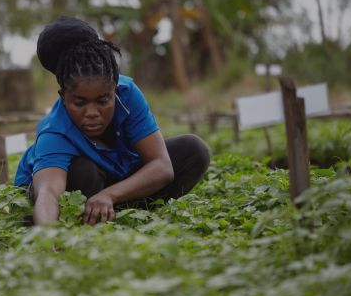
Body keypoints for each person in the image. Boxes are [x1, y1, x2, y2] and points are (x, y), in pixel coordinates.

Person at [15, 16, 210, 226]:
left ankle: (123, 214)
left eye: (103, 100)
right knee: (83, 171)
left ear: (114, 91)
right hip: (72, 186)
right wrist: (46, 236)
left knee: (193, 150)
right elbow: (49, 193)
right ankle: (93, 221)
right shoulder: (55, 130)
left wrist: (110, 195)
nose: (92, 112)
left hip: (110, 183)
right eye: (80, 103)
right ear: (64, 96)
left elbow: (162, 166)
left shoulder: (127, 93)